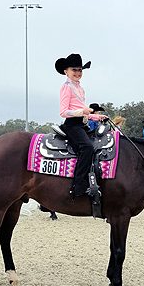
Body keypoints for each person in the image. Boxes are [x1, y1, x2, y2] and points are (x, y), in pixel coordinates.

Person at [56, 53, 107, 196]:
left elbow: (84, 112)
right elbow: (63, 112)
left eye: (80, 70)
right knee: (87, 147)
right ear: (66, 71)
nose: (77, 73)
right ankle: (79, 184)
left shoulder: (80, 89)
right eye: (74, 70)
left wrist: (96, 117)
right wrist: (82, 111)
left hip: (81, 124)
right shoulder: (66, 87)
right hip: (72, 125)